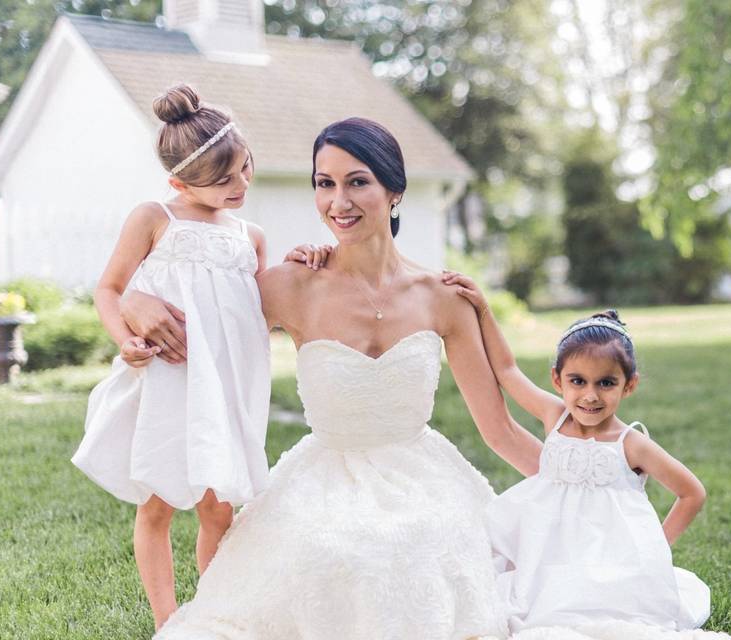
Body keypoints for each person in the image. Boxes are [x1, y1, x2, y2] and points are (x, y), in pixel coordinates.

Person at [117, 116, 544, 639]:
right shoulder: (289, 286)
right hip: (321, 480)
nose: (338, 202)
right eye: (325, 184)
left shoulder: (445, 297)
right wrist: (133, 299)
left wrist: (581, 481)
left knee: (420, 541)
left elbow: (499, 431)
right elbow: (200, 311)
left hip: (426, 481)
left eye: (357, 181)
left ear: (395, 190)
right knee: (329, 548)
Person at [71, 84, 327, 631]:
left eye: (244, 169)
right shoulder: (153, 217)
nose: (240, 186)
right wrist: (125, 336)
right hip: (170, 381)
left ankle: (213, 614)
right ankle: (169, 622)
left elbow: (261, 306)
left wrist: (298, 263)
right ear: (178, 182)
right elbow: (110, 289)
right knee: (159, 505)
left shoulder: (250, 236)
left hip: (230, 384)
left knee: (219, 508)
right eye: (222, 180)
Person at [442, 272, 730, 639]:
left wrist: (655, 550)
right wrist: (483, 309)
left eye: (606, 383)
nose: (590, 396)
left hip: (608, 560)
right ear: (558, 380)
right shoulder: (554, 415)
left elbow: (692, 492)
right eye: (578, 381)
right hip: (549, 552)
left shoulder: (631, 443)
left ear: (629, 385)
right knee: (524, 605)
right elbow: (507, 370)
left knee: (605, 617)